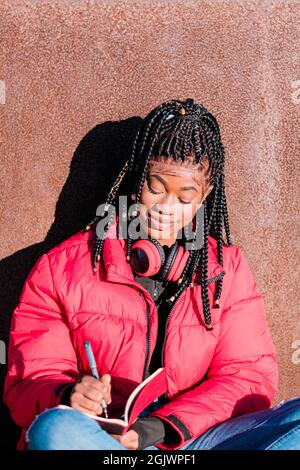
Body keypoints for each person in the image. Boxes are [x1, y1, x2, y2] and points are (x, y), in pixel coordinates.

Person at [4, 98, 300, 451]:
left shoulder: (227, 269)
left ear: (205, 196)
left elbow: (247, 377)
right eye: (155, 190)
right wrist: (68, 394)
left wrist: (160, 428)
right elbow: (29, 380)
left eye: (184, 197)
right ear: (136, 180)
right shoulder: (62, 267)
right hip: (104, 443)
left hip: (188, 440)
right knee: (54, 429)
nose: (166, 209)